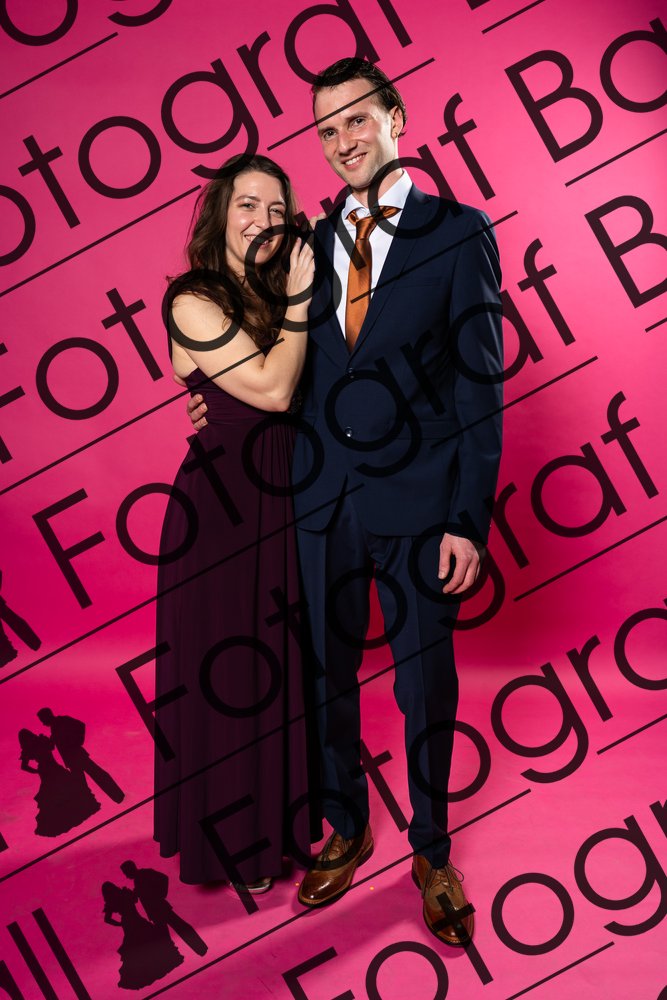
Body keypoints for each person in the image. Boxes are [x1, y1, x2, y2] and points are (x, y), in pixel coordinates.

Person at [187, 60, 503, 944]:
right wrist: (205, 393)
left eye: (356, 120)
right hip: (320, 499)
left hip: (421, 506)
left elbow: (480, 384)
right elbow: (256, 342)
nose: (341, 142)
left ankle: (432, 853)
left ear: (395, 117)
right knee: (323, 678)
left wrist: (466, 521)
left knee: (423, 683)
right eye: (326, 131)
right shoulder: (304, 243)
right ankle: (346, 825)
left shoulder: (458, 231)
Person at [154, 153, 317, 894]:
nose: (263, 220)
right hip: (220, 511)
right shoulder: (192, 298)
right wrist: (302, 300)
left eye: (277, 209)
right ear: (220, 215)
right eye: (248, 204)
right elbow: (275, 391)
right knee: (231, 674)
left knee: (280, 668)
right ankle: (232, 847)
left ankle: (277, 832)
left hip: (285, 499)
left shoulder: (278, 291)